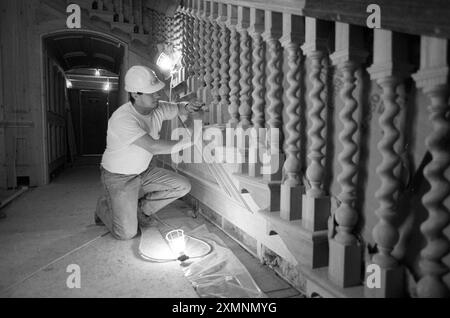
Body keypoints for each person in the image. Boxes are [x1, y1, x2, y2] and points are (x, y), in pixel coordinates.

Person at [95, 65, 202, 240]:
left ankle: (141, 210)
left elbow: (179, 108)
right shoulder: (122, 119)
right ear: (135, 94)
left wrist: (189, 106)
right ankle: (104, 207)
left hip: (142, 172)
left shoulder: (158, 107)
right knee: (127, 234)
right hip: (118, 178)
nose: (157, 96)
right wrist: (189, 140)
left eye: (157, 91)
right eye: (151, 93)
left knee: (183, 186)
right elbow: (153, 147)